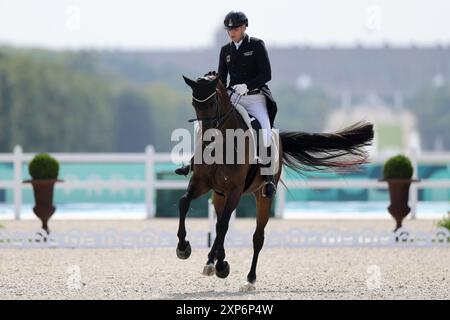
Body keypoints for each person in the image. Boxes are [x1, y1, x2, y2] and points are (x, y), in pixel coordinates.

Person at [175, 11, 278, 198]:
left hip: (255, 97)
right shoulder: (225, 50)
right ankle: (192, 163)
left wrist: (247, 86)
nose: (232, 32)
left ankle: (269, 178)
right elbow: (222, 78)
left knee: (265, 132)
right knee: (204, 126)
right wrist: (213, 83)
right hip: (233, 96)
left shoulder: (256, 45)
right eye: (229, 29)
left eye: (236, 28)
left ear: (244, 27)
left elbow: (266, 75)